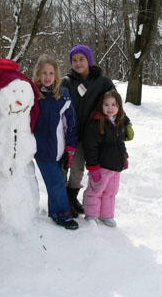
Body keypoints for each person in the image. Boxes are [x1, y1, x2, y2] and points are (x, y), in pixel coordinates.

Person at [61, 44, 115, 217]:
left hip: (89, 135)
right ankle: (62, 200)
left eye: (81, 59)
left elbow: (114, 103)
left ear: (89, 60)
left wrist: (118, 124)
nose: (78, 63)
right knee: (63, 168)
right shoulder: (67, 81)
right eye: (74, 60)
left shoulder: (102, 81)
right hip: (68, 134)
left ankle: (72, 197)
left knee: (78, 170)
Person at [33, 54, 79, 230]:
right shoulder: (33, 96)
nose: (47, 77)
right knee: (56, 182)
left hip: (60, 149)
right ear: (38, 73)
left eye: (51, 73)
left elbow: (71, 125)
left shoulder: (63, 97)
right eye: (44, 72)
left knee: (57, 180)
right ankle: (62, 213)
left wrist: (70, 149)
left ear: (56, 75)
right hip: (43, 150)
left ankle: (54, 210)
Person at [82, 90, 134, 227]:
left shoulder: (119, 121)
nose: (110, 108)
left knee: (110, 193)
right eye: (106, 104)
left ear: (119, 107)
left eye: (113, 104)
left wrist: (124, 158)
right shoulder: (97, 123)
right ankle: (91, 214)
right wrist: (93, 167)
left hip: (116, 167)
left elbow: (120, 143)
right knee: (95, 191)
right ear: (101, 105)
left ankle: (106, 215)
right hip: (101, 167)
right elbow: (90, 147)